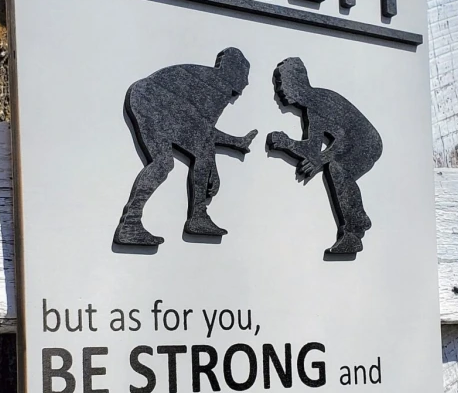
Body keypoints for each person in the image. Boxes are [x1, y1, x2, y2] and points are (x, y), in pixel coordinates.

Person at [114, 47, 257, 247]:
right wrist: (214, 170)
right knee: (164, 163)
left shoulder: (208, 80)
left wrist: (235, 143)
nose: (246, 82)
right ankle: (194, 217)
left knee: (164, 163)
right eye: (244, 75)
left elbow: (200, 131)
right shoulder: (219, 87)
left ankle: (134, 223)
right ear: (233, 71)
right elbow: (203, 134)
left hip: (149, 98)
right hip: (153, 99)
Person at [266, 57, 382, 256]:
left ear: (296, 82)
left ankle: (354, 230)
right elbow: (312, 150)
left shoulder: (322, 100)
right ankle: (359, 220)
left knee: (337, 169)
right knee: (337, 168)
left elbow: (344, 141)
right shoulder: (312, 110)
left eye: (281, 83)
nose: (279, 90)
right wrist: (287, 144)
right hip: (354, 145)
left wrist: (320, 160)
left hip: (367, 143)